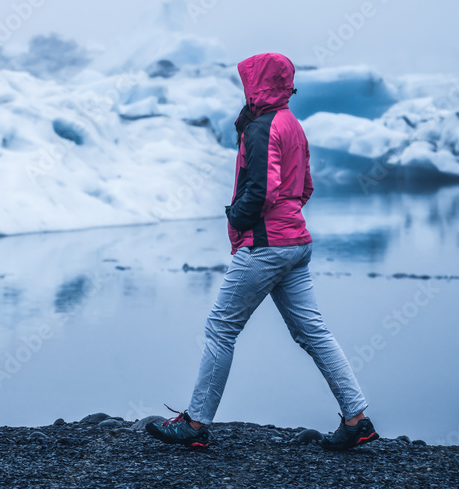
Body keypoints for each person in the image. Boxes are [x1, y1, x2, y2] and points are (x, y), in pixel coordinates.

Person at [146, 52, 377, 451]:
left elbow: (262, 189)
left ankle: (195, 425)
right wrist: (282, 220)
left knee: (221, 328)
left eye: (248, 81)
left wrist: (235, 218)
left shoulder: (262, 127)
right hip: (295, 243)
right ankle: (356, 419)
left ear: (257, 84)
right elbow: (304, 187)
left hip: (266, 245)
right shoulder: (293, 125)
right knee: (314, 333)